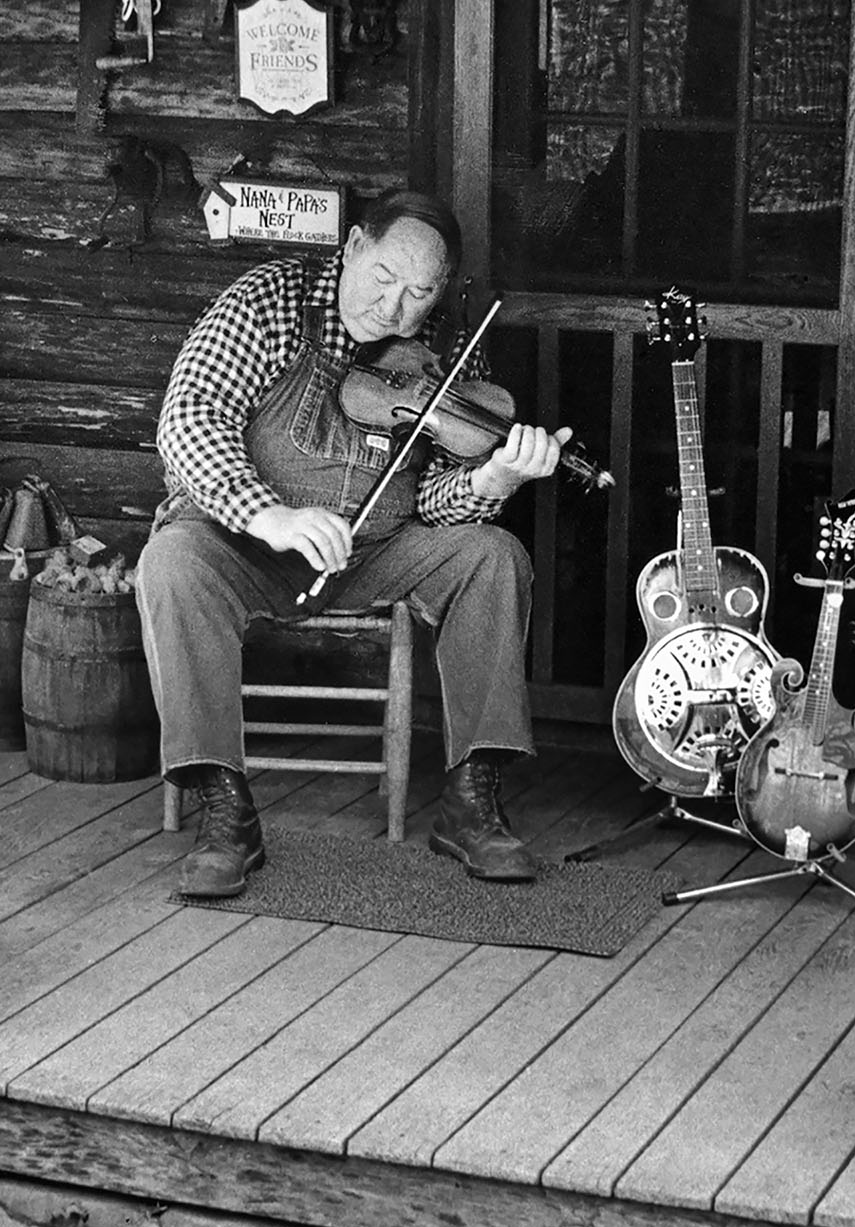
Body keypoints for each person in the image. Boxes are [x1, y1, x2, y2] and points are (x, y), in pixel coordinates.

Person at [136, 187, 571, 899]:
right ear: (354, 246)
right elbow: (189, 419)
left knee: (493, 556)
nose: (394, 308)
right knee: (171, 562)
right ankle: (224, 809)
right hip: (248, 547)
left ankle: (471, 802)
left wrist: (492, 478)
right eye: (384, 278)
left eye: (419, 294)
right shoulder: (271, 302)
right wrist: (270, 516)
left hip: (375, 554)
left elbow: (433, 501)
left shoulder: (448, 357)